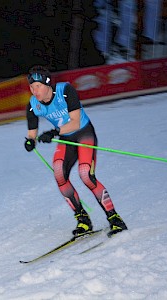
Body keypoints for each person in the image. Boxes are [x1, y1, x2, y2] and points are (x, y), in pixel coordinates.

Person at [24, 65, 127, 237]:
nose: (35, 91)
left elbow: (75, 122)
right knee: (59, 174)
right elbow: (32, 130)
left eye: (38, 86)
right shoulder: (34, 105)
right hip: (66, 139)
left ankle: (115, 219)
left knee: (86, 175)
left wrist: (54, 132)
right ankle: (83, 219)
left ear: (48, 84)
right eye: (32, 87)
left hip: (83, 133)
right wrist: (30, 141)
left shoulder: (65, 91)